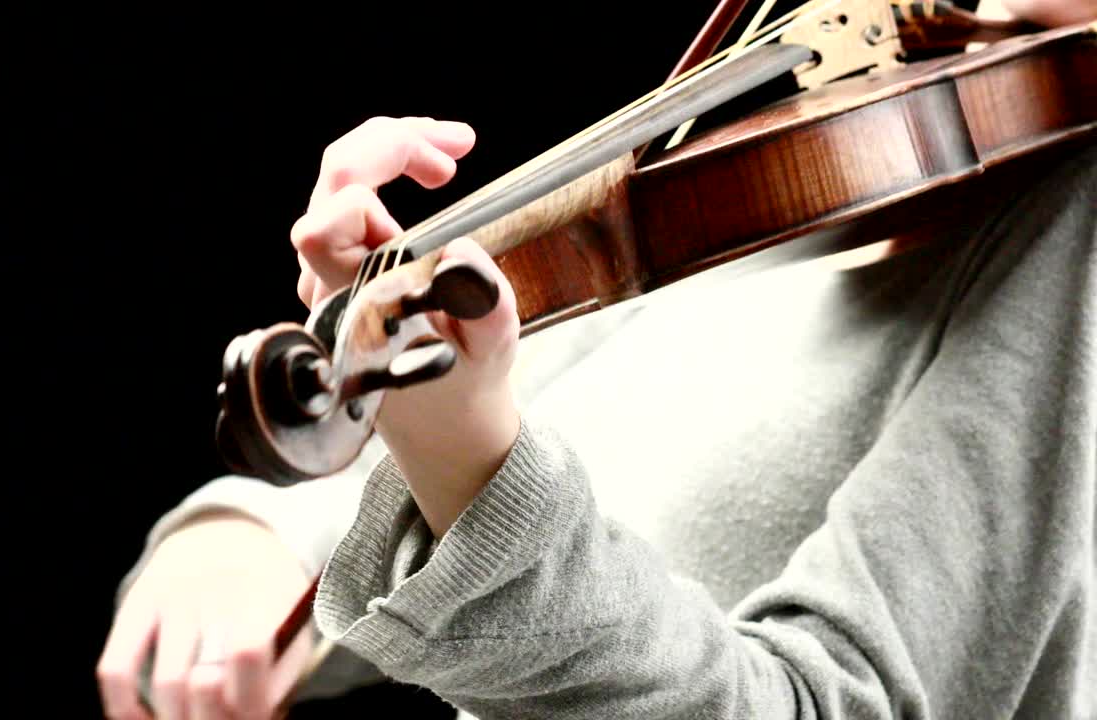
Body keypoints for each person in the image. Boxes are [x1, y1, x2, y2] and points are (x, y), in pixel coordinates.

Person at [97, 2, 1097, 717]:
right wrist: (262, 531)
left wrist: (469, 466)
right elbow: (536, 400)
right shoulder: (877, 131)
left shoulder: (1070, 218)